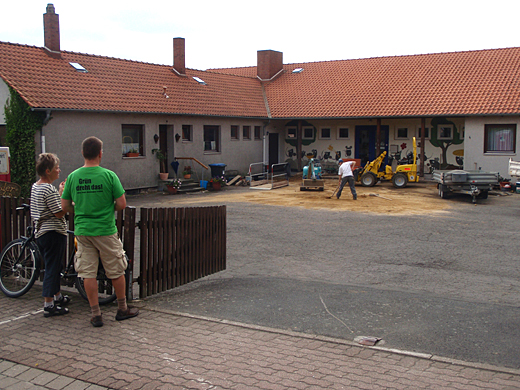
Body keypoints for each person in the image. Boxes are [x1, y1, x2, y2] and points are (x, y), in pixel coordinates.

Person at [61, 136, 138, 327]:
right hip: (105, 229)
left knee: (88, 272)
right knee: (116, 269)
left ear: (83, 153)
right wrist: (106, 207)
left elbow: (64, 206)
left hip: (83, 231)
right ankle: (122, 308)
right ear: (100, 154)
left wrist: (79, 210)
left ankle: (96, 314)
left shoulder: (73, 177)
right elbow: (121, 204)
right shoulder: (109, 176)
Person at [30, 153, 70, 317]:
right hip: (53, 232)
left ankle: (57, 296)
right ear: (48, 171)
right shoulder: (48, 188)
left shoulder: (36, 186)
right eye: (56, 168)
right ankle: (49, 304)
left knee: (53, 265)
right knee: (52, 268)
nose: (59, 170)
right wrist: (62, 193)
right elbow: (60, 212)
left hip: (41, 233)